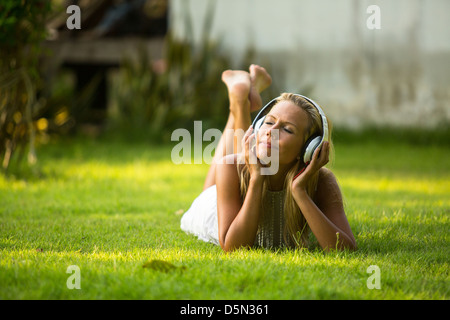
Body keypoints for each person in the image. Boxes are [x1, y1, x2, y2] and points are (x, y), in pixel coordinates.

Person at [181, 64, 356, 252]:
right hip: (210, 209)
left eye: (287, 129)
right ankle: (240, 103)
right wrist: (257, 179)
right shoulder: (230, 168)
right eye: (269, 122)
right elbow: (233, 247)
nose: (270, 132)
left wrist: (299, 191)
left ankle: (240, 100)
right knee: (216, 182)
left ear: (308, 148)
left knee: (234, 164)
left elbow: (344, 249)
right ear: (257, 126)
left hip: (237, 184)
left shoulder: (322, 181)